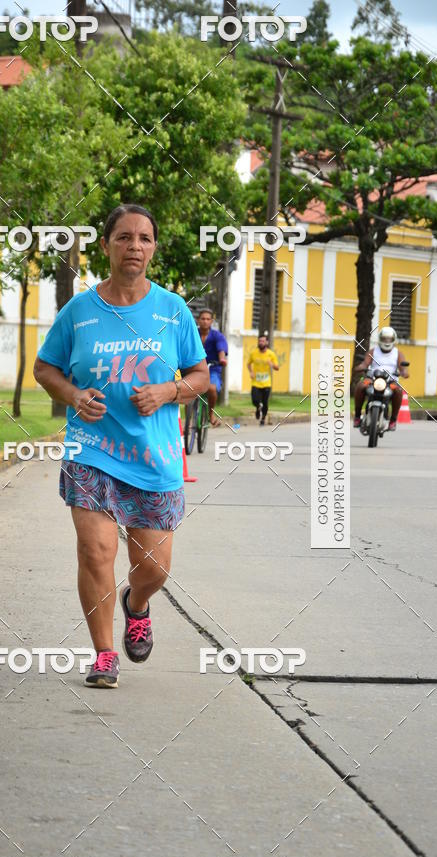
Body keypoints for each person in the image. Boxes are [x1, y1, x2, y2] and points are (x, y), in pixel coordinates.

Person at [33, 204, 209, 689]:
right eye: (125, 237)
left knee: (152, 569)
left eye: (144, 238)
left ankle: (137, 603)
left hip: (154, 459)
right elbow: (44, 368)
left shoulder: (172, 311)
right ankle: (104, 653)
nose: (135, 246)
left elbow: (201, 376)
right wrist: (71, 395)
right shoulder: (80, 311)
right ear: (107, 245)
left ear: (153, 248)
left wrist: (168, 391)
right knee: (96, 551)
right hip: (92, 451)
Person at [353, 326, 409, 431]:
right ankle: (357, 416)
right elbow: (365, 363)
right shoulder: (373, 351)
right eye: (384, 339)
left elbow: (402, 368)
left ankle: (393, 420)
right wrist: (361, 367)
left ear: (393, 339)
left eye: (389, 339)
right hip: (373, 379)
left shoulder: (398, 353)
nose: (387, 341)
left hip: (390, 380)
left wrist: (404, 372)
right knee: (361, 385)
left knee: (398, 390)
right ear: (380, 339)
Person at [197, 308, 228, 427]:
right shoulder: (193, 333)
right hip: (194, 367)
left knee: (212, 389)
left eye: (208, 319)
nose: (205, 321)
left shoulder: (217, 335)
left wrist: (222, 359)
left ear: (211, 321)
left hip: (212, 368)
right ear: (198, 320)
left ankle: (210, 414)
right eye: (203, 319)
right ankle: (191, 416)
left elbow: (221, 349)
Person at [247, 334, 279, 426]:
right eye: (259, 341)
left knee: (265, 402)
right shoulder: (254, 353)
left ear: (267, 342)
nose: (261, 343)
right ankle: (258, 407)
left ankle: (263, 418)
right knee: (254, 400)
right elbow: (248, 364)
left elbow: (277, 368)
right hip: (256, 382)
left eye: (263, 341)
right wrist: (251, 372)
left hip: (266, 383)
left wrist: (271, 364)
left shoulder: (271, 354)